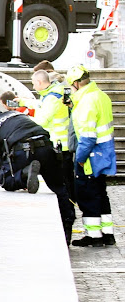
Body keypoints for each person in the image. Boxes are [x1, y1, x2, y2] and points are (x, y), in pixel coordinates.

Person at [0, 105, 76, 244]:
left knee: (5, 180)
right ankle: (67, 228)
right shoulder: (16, 114)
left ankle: (25, 174)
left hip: (23, 151)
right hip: (46, 147)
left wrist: (14, 174)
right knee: (59, 188)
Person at [66, 65, 117, 247]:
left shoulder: (86, 102)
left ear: (76, 84)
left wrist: (79, 158)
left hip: (90, 157)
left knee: (87, 195)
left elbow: (87, 137)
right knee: (101, 194)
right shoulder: (101, 96)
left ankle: (94, 236)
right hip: (104, 154)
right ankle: (108, 234)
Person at [15, 70, 75, 203]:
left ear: (39, 82)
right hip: (60, 144)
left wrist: (23, 119)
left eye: (33, 83)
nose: (33, 87)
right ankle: (69, 205)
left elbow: (42, 120)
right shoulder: (51, 94)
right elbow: (40, 105)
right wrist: (22, 102)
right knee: (65, 179)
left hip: (60, 145)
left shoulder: (52, 98)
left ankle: (69, 208)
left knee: (64, 180)